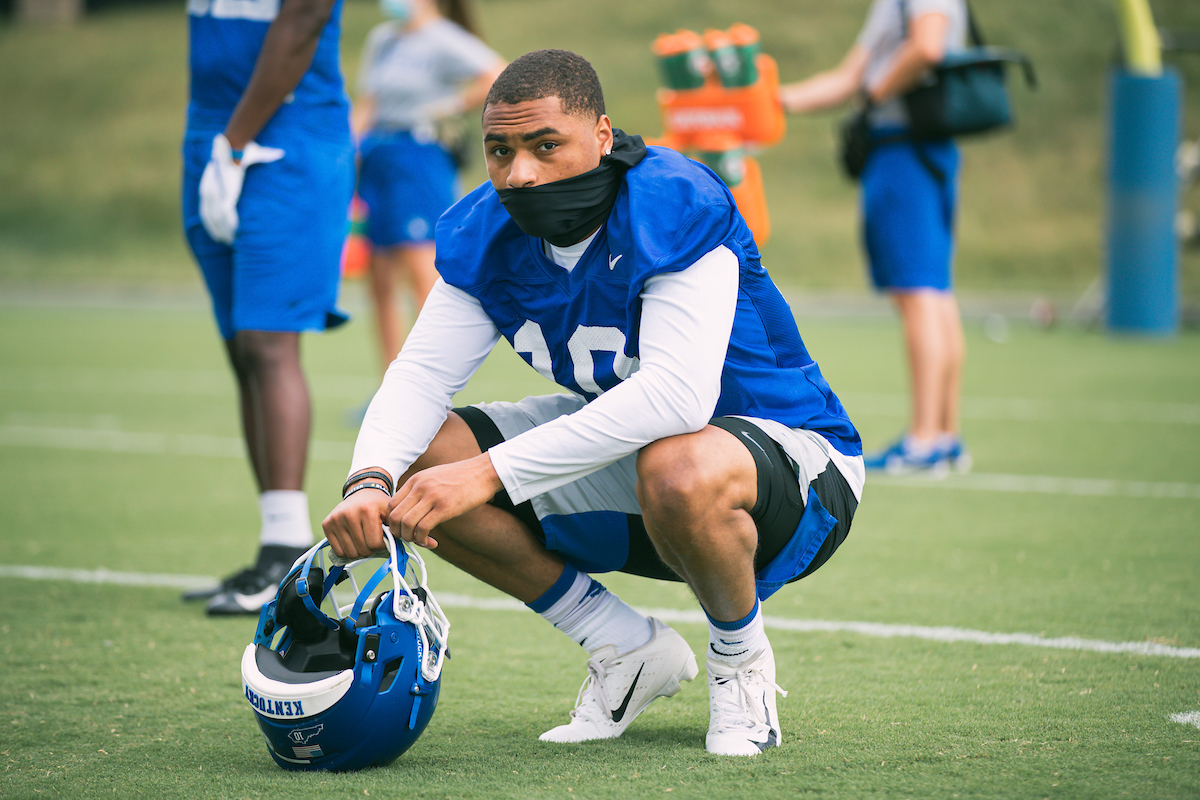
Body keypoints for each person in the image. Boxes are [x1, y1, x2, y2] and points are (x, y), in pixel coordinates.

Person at [322, 49, 864, 756]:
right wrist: (369, 480)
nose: (521, 172)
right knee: (419, 459)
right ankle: (623, 644)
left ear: (602, 136)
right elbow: (420, 378)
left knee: (678, 464)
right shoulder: (484, 230)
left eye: (546, 146)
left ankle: (740, 662)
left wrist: (488, 474)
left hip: (795, 474)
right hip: (642, 460)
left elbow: (677, 395)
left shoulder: (673, 201)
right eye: (500, 150)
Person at [180, 0, 356, 614]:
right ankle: (271, 545)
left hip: (284, 132)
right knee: (240, 349)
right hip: (212, 128)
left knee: (267, 342)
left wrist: (234, 141)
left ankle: (286, 552)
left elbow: (305, 15)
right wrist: (217, 141)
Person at [779, 0, 972, 474]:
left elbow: (926, 48)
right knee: (934, 292)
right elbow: (848, 79)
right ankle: (943, 436)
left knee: (918, 293)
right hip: (920, 146)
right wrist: (773, 99)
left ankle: (925, 440)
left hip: (904, 150)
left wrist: (875, 95)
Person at [353, 0, 505, 378]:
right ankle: (389, 386)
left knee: (422, 269)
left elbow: (496, 73)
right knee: (380, 277)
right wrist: (348, 151)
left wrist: (449, 106)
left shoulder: (442, 38)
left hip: (419, 157)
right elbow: (368, 104)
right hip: (379, 156)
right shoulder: (384, 38)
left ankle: (428, 383)